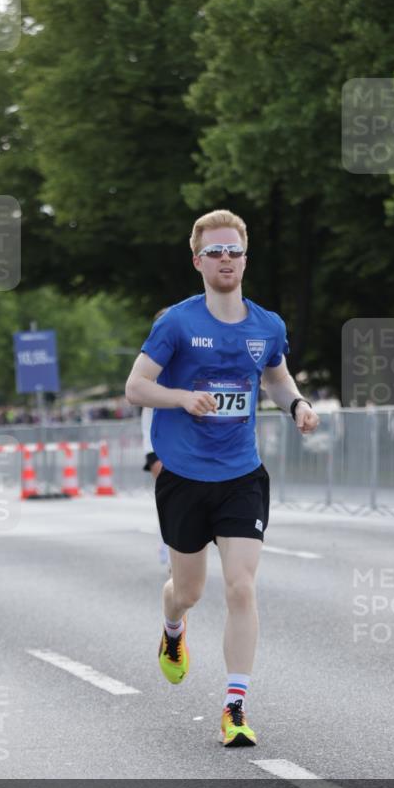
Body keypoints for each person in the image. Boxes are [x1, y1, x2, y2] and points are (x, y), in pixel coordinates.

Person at [125, 209, 318, 747]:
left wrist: (297, 403)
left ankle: (234, 707)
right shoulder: (178, 324)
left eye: (234, 251)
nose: (226, 259)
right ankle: (172, 630)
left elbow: (276, 377)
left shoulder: (267, 325)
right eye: (216, 252)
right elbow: (136, 387)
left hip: (241, 474)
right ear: (198, 261)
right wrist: (182, 397)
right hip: (184, 477)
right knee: (188, 591)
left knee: (241, 586)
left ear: (245, 258)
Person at [141, 308, 170, 568]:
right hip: (160, 447)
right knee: (170, 500)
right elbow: (146, 413)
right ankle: (170, 547)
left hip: (191, 446)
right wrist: (151, 454)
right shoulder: (151, 363)